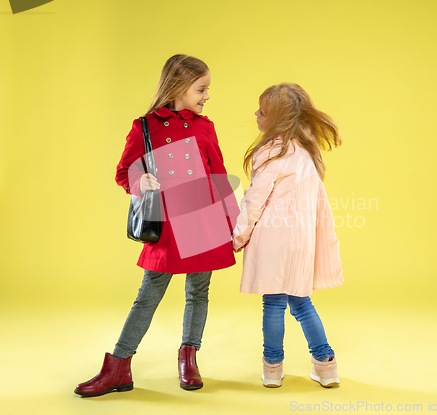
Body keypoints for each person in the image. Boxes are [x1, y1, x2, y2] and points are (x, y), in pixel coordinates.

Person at [75, 54, 238, 397]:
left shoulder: (204, 126)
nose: (206, 96)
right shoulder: (145, 126)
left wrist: (234, 222)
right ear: (179, 87)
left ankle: (188, 357)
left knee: (199, 291)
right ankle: (118, 366)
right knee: (148, 294)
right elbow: (124, 171)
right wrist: (140, 181)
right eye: (201, 89)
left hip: (205, 219)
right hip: (167, 224)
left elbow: (219, 175)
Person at [231, 83, 344, 388]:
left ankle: (272, 368)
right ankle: (326, 365)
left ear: (277, 118)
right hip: (301, 241)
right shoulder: (307, 152)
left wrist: (239, 236)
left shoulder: (270, 152)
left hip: (272, 239)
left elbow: (255, 199)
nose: (256, 114)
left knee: (273, 304)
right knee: (302, 303)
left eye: (262, 111)